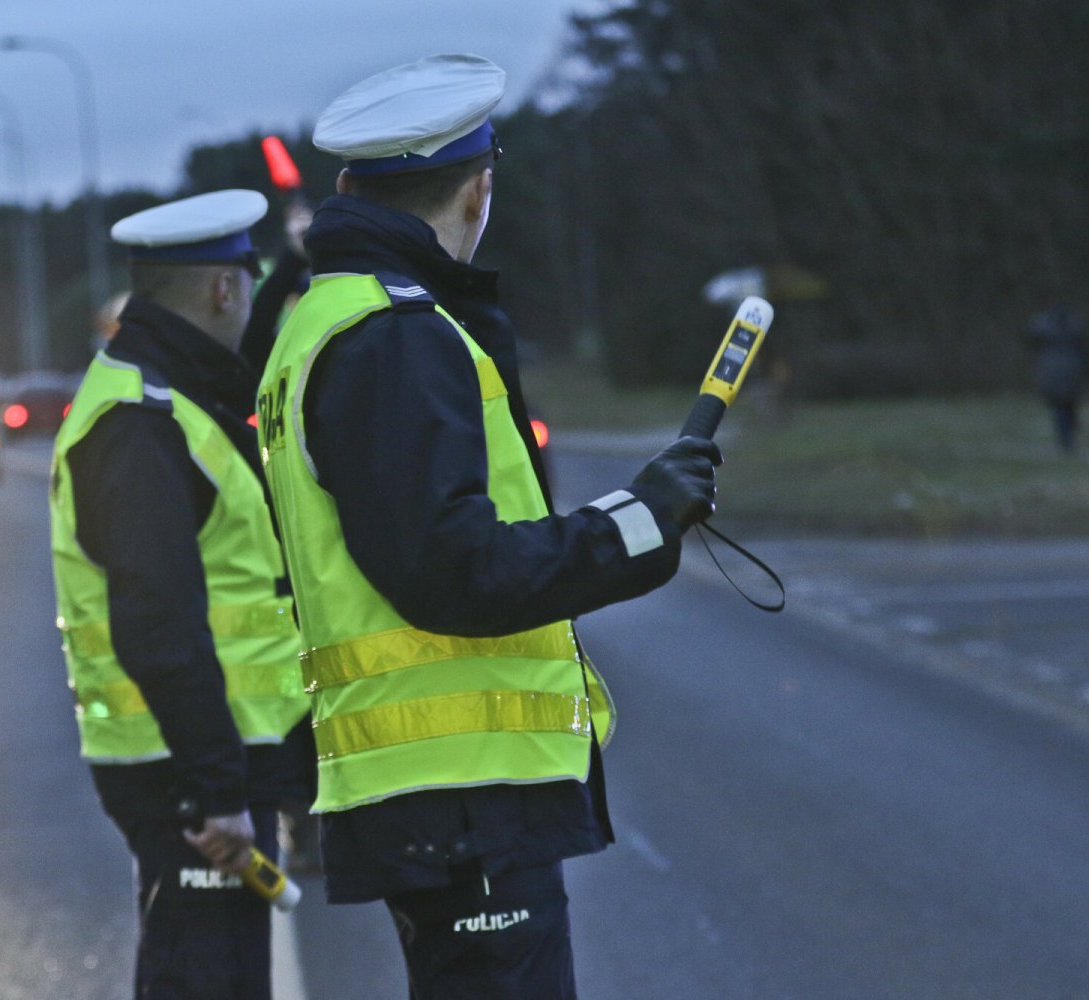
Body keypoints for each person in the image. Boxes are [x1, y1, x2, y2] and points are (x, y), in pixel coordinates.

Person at [256, 55, 722, 999]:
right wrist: (639, 522)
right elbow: (453, 570)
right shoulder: (393, 333)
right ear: (479, 190)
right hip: (457, 790)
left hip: (437, 789)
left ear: (350, 188)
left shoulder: (324, 322)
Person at [50, 189, 313, 1000]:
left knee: (221, 975)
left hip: (206, 760)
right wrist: (214, 790)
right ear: (222, 290)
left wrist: (296, 263)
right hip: (187, 775)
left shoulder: (169, 390)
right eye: (248, 279)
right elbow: (156, 622)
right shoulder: (140, 423)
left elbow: (246, 358)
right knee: (203, 980)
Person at [1025, 304, 1087, 453]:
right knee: (1068, 405)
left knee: (1059, 407)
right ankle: (1070, 435)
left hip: (1051, 372)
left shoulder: (1042, 328)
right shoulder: (1075, 329)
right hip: (1073, 371)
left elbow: (1029, 338)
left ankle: (1066, 441)